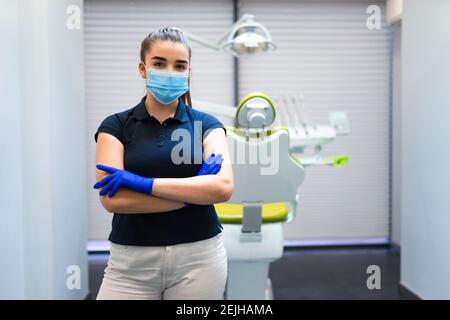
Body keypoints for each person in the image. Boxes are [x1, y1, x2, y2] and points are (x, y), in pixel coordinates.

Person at [92, 27, 233, 300]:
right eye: (159, 63)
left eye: (180, 65)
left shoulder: (207, 126)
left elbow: (223, 187)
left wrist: (143, 184)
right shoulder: (115, 126)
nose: (170, 71)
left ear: (189, 73)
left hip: (199, 258)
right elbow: (114, 200)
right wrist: (191, 196)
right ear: (143, 69)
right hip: (131, 264)